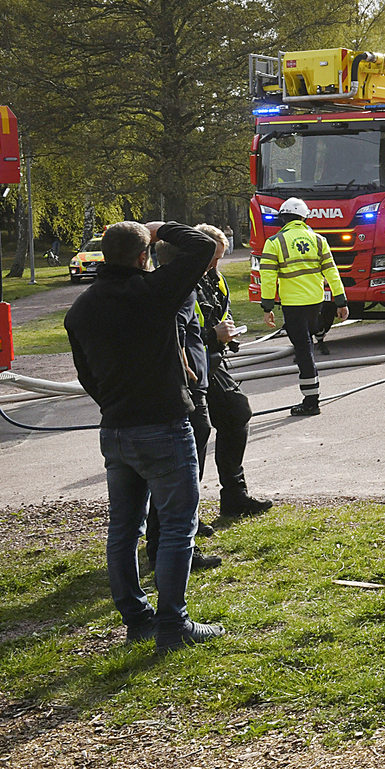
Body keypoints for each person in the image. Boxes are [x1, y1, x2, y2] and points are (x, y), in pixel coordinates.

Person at [65, 219, 226, 653]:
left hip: (116, 428)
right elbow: (201, 247)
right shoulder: (155, 292)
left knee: (123, 529)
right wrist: (162, 228)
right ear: (143, 257)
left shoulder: (80, 308)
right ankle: (174, 625)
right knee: (177, 527)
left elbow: (86, 374)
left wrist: (114, 404)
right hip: (164, 425)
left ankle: (138, 620)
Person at [142, 233, 221, 574]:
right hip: (188, 388)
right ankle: (175, 548)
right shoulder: (180, 289)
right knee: (181, 477)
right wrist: (185, 365)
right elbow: (174, 327)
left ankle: (165, 541)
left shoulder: (161, 287)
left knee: (174, 475)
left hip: (189, 383)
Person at [194, 224, 272, 518]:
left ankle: (235, 498)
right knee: (197, 433)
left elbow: (218, 313)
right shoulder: (181, 283)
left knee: (236, 413)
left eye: (220, 258)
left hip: (212, 362)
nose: (216, 265)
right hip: (191, 367)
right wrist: (212, 335)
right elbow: (177, 333)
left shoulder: (214, 279)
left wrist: (227, 334)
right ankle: (187, 513)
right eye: (212, 258)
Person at [259, 197, 347, 417]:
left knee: (304, 351)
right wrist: (341, 301)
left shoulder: (274, 242)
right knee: (306, 346)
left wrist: (267, 307)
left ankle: (311, 401)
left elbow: (268, 278)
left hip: (293, 304)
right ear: (304, 217)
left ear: (283, 218)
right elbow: (332, 272)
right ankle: (311, 396)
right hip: (315, 301)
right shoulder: (319, 240)